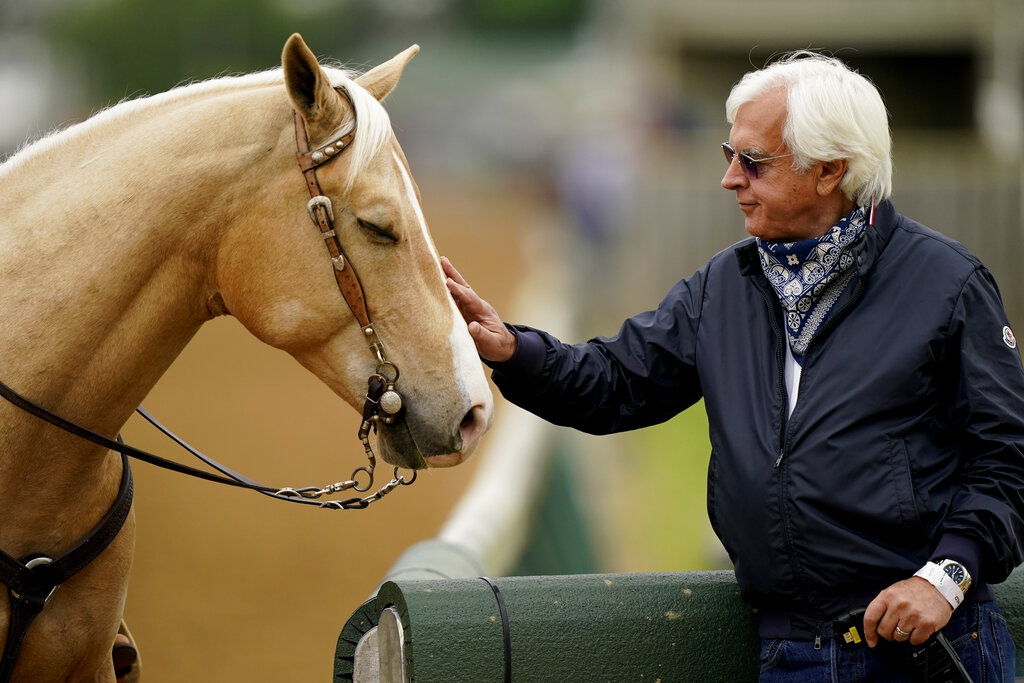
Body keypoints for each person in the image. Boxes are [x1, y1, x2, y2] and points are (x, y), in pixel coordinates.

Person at [443, 51, 1024, 682]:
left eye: (753, 162)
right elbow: (615, 383)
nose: (730, 179)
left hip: (924, 652)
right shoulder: (724, 285)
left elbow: (1007, 456)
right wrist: (511, 348)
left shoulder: (948, 282)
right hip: (790, 652)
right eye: (729, 156)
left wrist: (946, 577)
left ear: (829, 170)